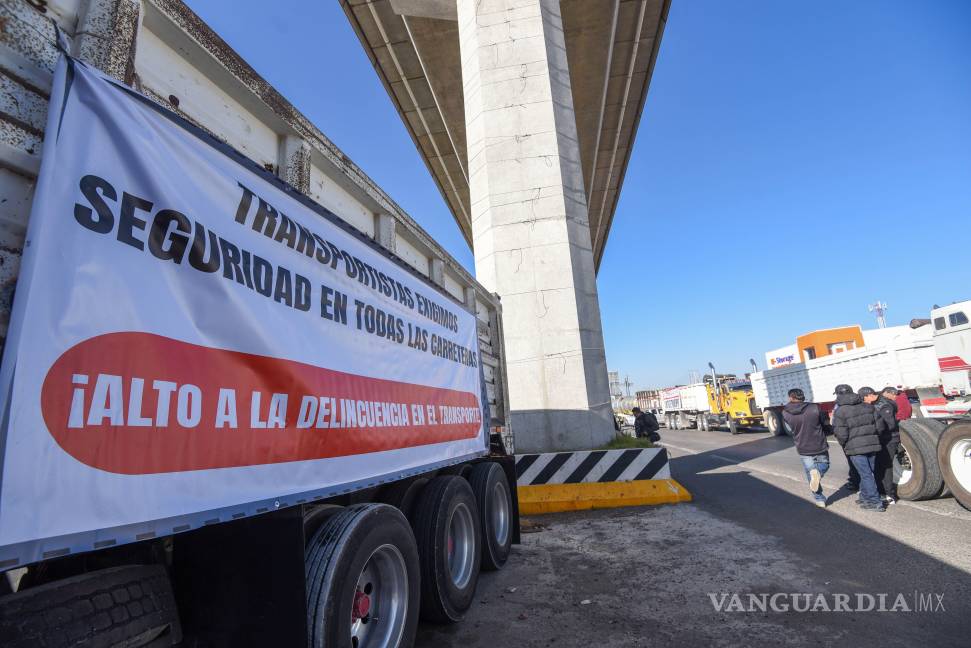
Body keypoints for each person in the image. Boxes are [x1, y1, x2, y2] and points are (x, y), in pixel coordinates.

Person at [832, 385, 885, 512]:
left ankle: (874, 502)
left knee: (865, 474)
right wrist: (873, 437)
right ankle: (865, 498)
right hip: (872, 445)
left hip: (855, 447)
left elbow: (841, 433)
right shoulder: (868, 406)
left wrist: (844, 444)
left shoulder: (840, 411)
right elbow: (880, 427)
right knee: (867, 473)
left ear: (839, 395)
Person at [782, 388, 830, 507]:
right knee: (824, 465)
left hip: (802, 446)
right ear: (803, 396)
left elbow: (790, 428)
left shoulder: (785, 413)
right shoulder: (815, 407)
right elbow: (825, 423)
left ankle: (819, 499)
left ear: (791, 398)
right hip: (819, 443)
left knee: (810, 472)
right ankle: (818, 473)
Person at [875, 387, 901, 504]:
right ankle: (888, 493)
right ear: (886, 393)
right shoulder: (885, 405)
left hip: (885, 438)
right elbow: (890, 424)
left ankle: (886, 492)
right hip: (888, 438)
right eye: (894, 394)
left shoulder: (880, 403)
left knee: (883, 466)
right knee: (885, 466)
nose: (896, 396)